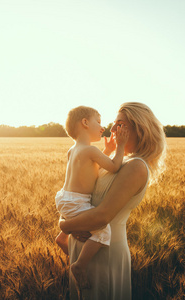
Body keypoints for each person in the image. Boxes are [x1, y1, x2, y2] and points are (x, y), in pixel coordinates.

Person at [58, 102, 167, 299]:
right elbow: (83, 189)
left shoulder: (136, 166)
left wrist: (64, 226)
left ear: (139, 128)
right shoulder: (121, 160)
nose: (113, 128)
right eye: (114, 123)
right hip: (86, 248)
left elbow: (103, 215)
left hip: (105, 255)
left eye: (120, 124)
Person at [55, 106, 129, 290]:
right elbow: (113, 167)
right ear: (85, 123)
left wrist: (107, 149)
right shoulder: (90, 150)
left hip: (65, 198)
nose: (103, 127)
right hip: (77, 201)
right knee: (103, 231)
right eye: (99, 121)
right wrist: (119, 146)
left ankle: (63, 239)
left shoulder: (74, 150)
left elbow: (92, 168)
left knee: (82, 224)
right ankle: (79, 265)